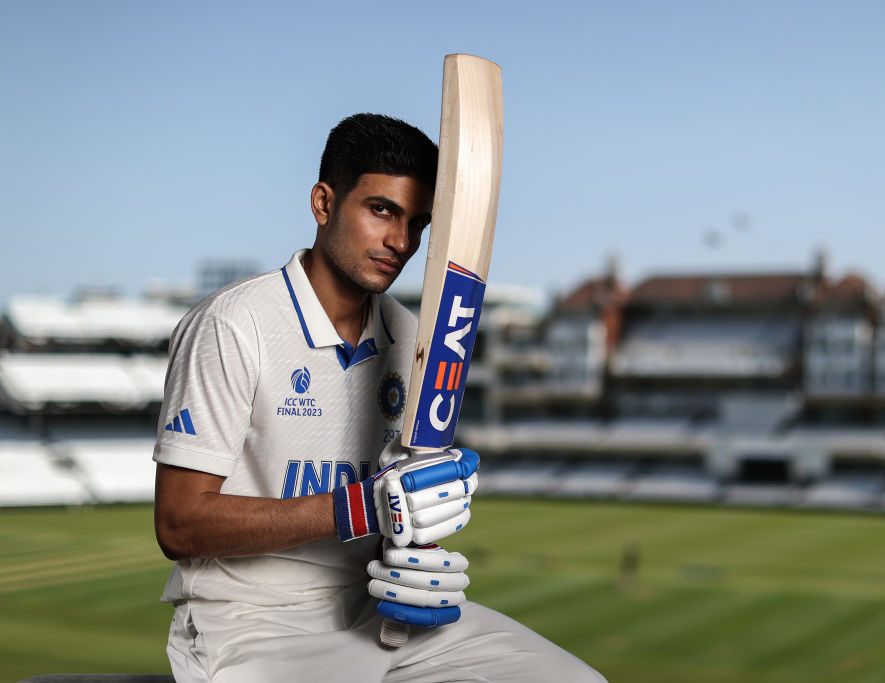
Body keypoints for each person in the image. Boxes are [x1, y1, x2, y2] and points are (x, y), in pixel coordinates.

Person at [153, 113, 605, 682]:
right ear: (323, 203)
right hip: (252, 623)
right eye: (381, 210)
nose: (401, 242)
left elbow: (405, 501)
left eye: (418, 223)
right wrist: (362, 507)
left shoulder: (414, 337)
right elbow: (179, 524)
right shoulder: (233, 324)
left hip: (377, 613)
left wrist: (424, 551)